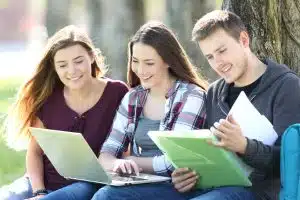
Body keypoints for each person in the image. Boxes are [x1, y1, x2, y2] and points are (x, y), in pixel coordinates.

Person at [170, 10, 300, 200]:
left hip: (260, 193)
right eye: (210, 57)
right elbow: (209, 153)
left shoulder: (286, 86)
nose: (218, 63)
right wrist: (186, 176)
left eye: (222, 51)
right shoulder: (214, 92)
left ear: (244, 40)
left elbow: (290, 163)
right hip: (214, 189)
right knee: (117, 194)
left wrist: (244, 146)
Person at [0, 25, 128, 200]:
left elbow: (128, 145)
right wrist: (39, 191)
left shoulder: (117, 93)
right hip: (41, 182)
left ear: (91, 57)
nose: (72, 71)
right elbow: (35, 153)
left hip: (89, 185)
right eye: (62, 65)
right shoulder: (49, 98)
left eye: (78, 61)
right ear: (54, 67)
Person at [88, 21, 207, 200]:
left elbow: (176, 161)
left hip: (176, 186)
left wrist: (132, 162)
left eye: (149, 63)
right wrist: (117, 163)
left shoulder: (192, 96)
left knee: (106, 197)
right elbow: (107, 152)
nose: (140, 70)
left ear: (168, 61)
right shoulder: (133, 98)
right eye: (135, 61)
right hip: (141, 183)